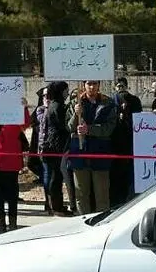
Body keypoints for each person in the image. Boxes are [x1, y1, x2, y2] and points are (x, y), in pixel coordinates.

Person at [67, 80, 117, 214]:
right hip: (79, 153)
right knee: (81, 194)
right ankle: (82, 221)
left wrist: (89, 129)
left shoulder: (108, 103)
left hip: (100, 153)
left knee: (102, 196)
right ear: (84, 85)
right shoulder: (75, 102)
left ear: (99, 85)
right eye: (89, 83)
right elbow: (69, 127)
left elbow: (109, 128)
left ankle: (102, 222)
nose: (92, 87)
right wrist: (75, 114)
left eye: (94, 83)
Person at [0, 100, 30, 233]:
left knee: (12, 194)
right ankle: (1, 221)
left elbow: (26, 123)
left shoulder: (15, 112)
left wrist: (24, 107)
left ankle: (13, 222)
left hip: (11, 160)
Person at [38, 81, 71, 216]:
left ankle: (55, 205)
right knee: (55, 177)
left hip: (50, 145)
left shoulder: (53, 105)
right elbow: (63, 126)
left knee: (55, 176)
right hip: (54, 146)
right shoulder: (57, 106)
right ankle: (56, 206)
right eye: (66, 91)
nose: (67, 93)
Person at [110, 90, 142, 207]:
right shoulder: (114, 116)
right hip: (118, 156)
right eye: (122, 102)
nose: (124, 105)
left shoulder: (136, 119)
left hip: (130, 156)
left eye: (126, 102)